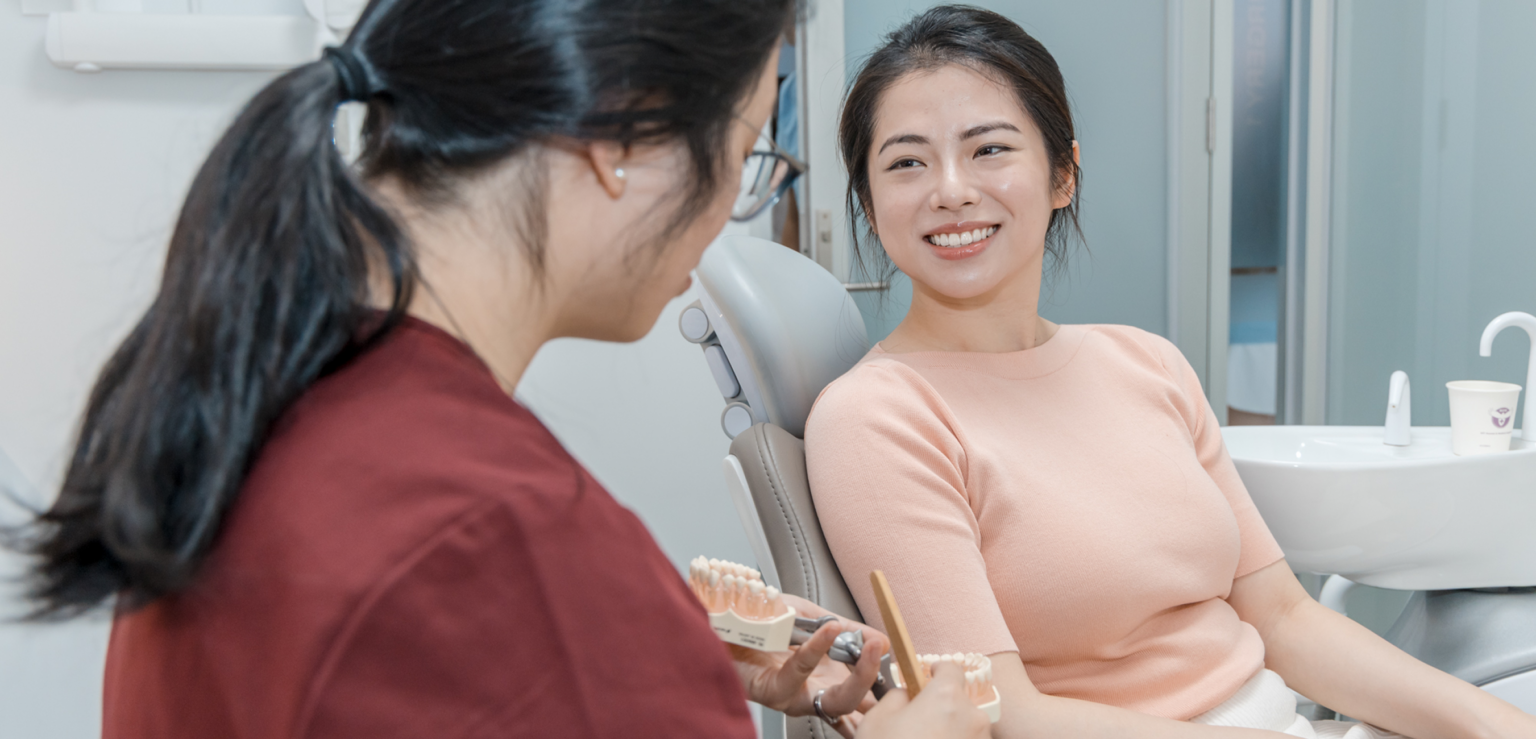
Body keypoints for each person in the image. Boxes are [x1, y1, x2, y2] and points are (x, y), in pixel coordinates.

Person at [18, 1, 992, 737]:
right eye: (746, 155)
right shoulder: (500, 537)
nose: (725, 212)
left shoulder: (257, 393)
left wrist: (654, 656)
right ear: (622, 136)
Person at [804, 6, 1536, 739]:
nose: (951, 189)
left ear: (1063, 174)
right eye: (906, 162)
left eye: (989, 149)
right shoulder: (876, 417)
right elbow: (1001, 714)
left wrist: (1496, 725)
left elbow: (1282, 618)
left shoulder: (1145, 361)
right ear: (870, 203)